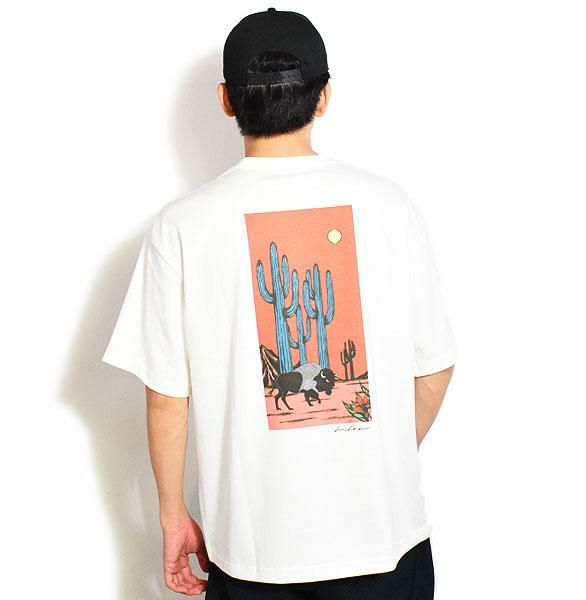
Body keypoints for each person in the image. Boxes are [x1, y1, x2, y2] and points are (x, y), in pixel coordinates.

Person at [102, 7, 455, 599]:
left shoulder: (181, 225)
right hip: (383, 541)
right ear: (324, 97)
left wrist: (171, 516)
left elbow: (167, 395)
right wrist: (379, 453)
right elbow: (435, 366)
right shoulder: (390, 206)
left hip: (252, 552)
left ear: (225, 100)